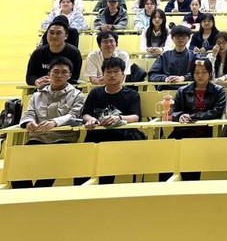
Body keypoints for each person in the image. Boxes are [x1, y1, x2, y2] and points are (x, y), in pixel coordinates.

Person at [14, 57, 86, 188]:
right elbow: (29, 113)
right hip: (39, 138)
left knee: (51, 161)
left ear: (70, 75)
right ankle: (24, 194)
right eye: (56, 71)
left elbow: (73, 115)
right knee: (16, 160)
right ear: (49, 74)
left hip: (63, 139)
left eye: (64, 72)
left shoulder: (78, 95)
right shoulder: (36, 95)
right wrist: (29, 122)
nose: (59, 75)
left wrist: (54, 122)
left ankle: (37, 194)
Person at [82, 57, 145, 184]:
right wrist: (91, 119)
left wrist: (119, 118)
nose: (112, 75)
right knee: (83, 172)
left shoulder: (132, 94)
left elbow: (135, 116)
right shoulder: (95, 93)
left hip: (121, 137)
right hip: (97, 136)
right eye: (108, 72)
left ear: (123, 74)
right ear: (103, 74)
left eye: (116, 71)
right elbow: (85, 114)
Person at [169, 58, 226, 153]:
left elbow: (217, 112)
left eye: (204, 72)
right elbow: (173, 112)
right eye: (196, 72)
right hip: (184, 130)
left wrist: (192, 116)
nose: (200, 75)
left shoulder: (218, 91)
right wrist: (180, 116)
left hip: (209, 131)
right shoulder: (182, 91)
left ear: (210, 73)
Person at [26, 16, 82, 86]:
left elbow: (74, 78)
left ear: (66, 36)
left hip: (66, 90)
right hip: (42, 88)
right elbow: (29, 77)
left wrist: (54, 81)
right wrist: (36, 81)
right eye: (51, 33)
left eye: (58, 33)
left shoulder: (74, 53)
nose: (54, 36)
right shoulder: (37, 53)